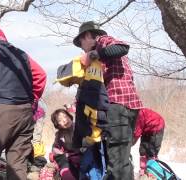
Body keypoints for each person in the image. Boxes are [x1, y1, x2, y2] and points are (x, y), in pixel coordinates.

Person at [0, 23, 47, 180]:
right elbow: (40, 75)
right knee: (17, 161)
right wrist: (33, 99)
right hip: (26, 113)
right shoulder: (21, 54)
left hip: (3, 109)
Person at [73, 21, 143, 179]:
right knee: (122, 158)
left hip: (117, 104)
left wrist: (92, 54)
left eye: (81, 43)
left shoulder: (102, 41)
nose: (82, 48)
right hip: (128, 106)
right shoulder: (99, 58)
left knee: (117, 160)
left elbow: (122, 47)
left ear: (88, 36)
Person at [133, 108, 165, 176]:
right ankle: (143, 170)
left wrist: (130, 144)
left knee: (152, 152)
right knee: (142, 150)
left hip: (157, 126)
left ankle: (152, 172)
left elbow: (137, 133)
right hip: (147, 129)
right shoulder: (135, 115)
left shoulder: (139, 115)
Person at [50, 109, 80, 180]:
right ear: (57, 125)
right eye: (60, 120)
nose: (64, 120)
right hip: (69, 158)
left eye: (65, 116)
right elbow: (55, 147)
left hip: (82, 154)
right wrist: (61, 153)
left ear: (69, 116)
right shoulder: (59, 134)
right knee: (59, 157)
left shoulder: (78, 127)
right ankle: (66, 174)